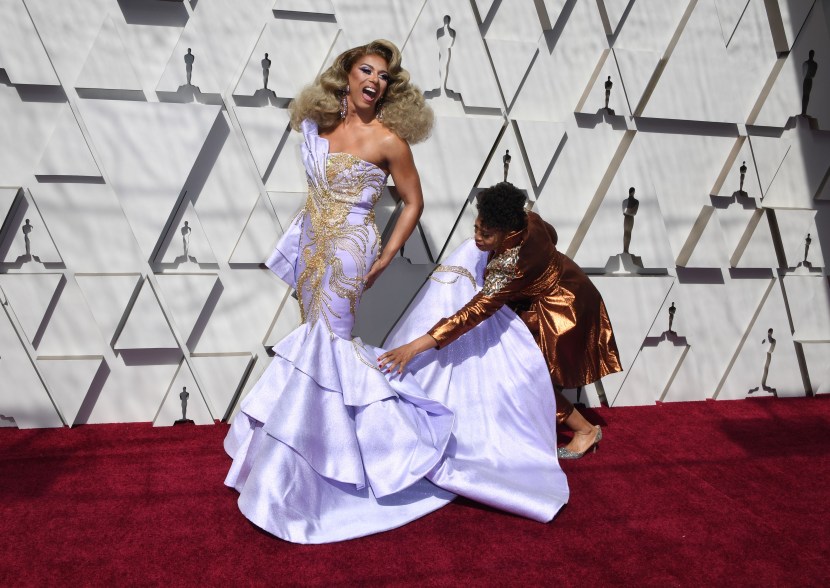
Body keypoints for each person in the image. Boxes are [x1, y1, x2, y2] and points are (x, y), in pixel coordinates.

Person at [223, 40, 455, 544]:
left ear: (390, 88)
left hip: (352, 247)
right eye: (366, 70)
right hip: (311, 244)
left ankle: (335, 463)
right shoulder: (318, 127)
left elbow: (413, 202)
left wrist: (389, 253)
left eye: (384, 76)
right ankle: (309, 447)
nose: (374, 80)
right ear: (346, 76)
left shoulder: (390, 140)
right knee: (314, 340)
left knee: (331, 342)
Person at [380, 182, 622, 459]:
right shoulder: (529, 218)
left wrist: (412, 348)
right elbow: (552, 236)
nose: (478, 239)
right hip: (572, 282)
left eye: (487, 234)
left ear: (507, 231)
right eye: (476, 229)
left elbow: (470, 314)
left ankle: (585, 430)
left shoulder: (508, 267)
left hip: (562, 310)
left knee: (526, 374)